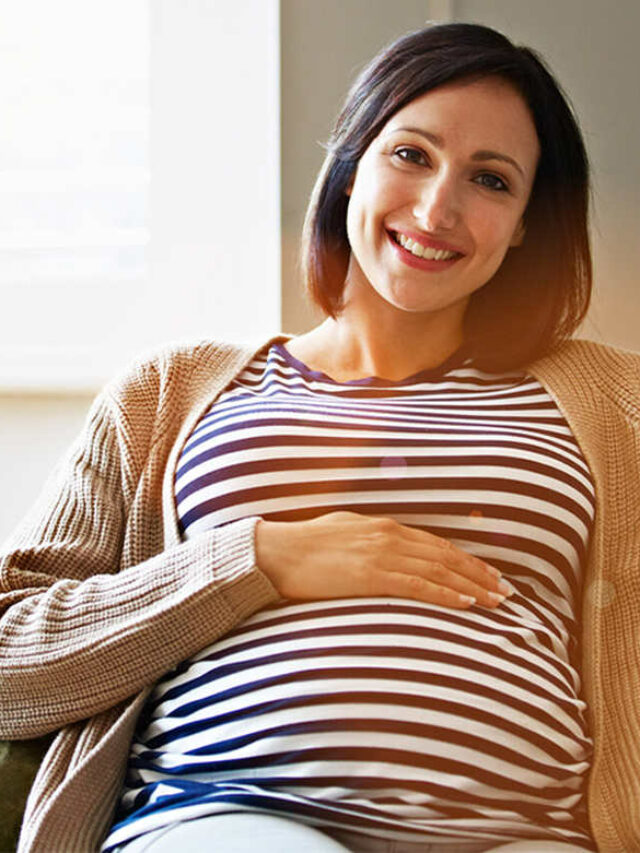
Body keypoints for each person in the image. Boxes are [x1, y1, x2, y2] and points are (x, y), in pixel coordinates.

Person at [1, 20, 638, 853]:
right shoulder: (171, 392)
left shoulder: (612, 402)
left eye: (490, 179)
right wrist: (259, 559)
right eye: (411, 155)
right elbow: (11, 654)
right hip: (223, 816)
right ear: (349, 168)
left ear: (524, 224)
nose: (438, 206)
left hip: (520, 833)